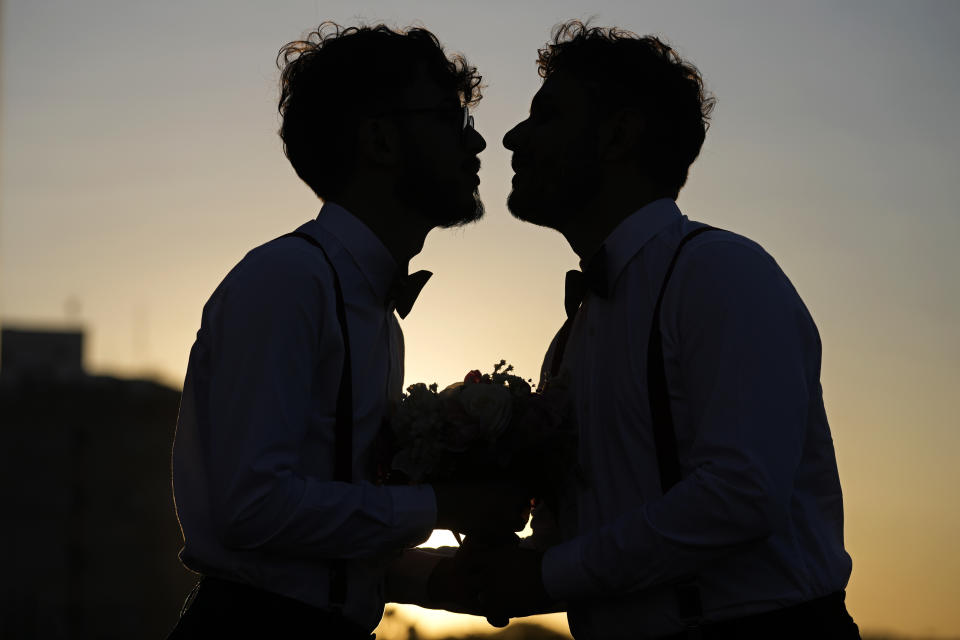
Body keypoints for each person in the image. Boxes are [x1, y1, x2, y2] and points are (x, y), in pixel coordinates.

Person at [470, 21, 861, 639]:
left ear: (618, 134)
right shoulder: (570, 339)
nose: (514, 137)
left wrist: (541, 577)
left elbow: (740, 494)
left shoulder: (722, 273)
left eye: (546, 116)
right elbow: (583, 537)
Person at [167, 23, 527, 639]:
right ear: (382, 140)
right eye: (450, 118)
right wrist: (446, 505)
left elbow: (318, 545)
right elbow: (250, 510)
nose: (478, 142)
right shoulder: (285, 281)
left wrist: (436, 579)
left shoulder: (377, 310)